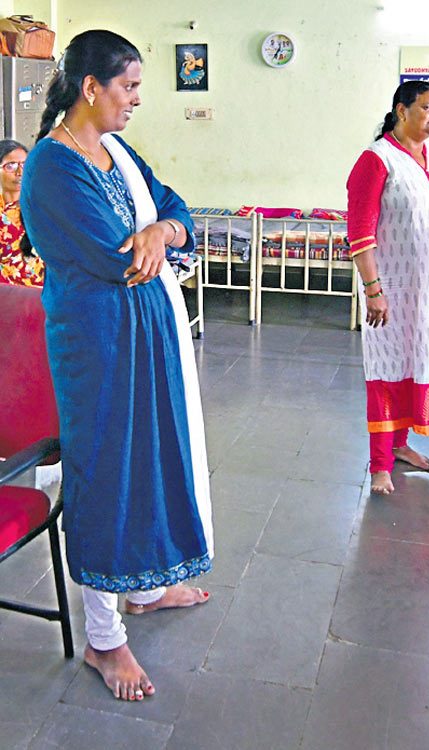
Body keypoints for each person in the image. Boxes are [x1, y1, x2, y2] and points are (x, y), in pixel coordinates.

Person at [21, 30, 212, 702]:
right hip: (99, 344)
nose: (135, 100)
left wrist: (162, 229)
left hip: (146, 332)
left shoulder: (116, 152)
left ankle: (148, 588)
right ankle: (105, 638)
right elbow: (118, 260)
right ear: (90, 87)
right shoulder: (52, 166)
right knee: (107, 470)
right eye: (127, 87)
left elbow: (177, 209)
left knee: (153, 458)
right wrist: (153, 239)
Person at [346, 80, 429, 495]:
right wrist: (373, 289)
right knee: (388, 369)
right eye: (427, 107)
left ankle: (401, 445)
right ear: (401, 111)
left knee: (417, 364)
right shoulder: (376, 160)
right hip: (392, 291)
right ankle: (380, 464)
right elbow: (359, 232)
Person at [0, 139, 42, 286]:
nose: (19, 172)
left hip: (42, 296)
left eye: (24, 165)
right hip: (7, 298)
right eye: (10, 166)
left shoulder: (44, 209)